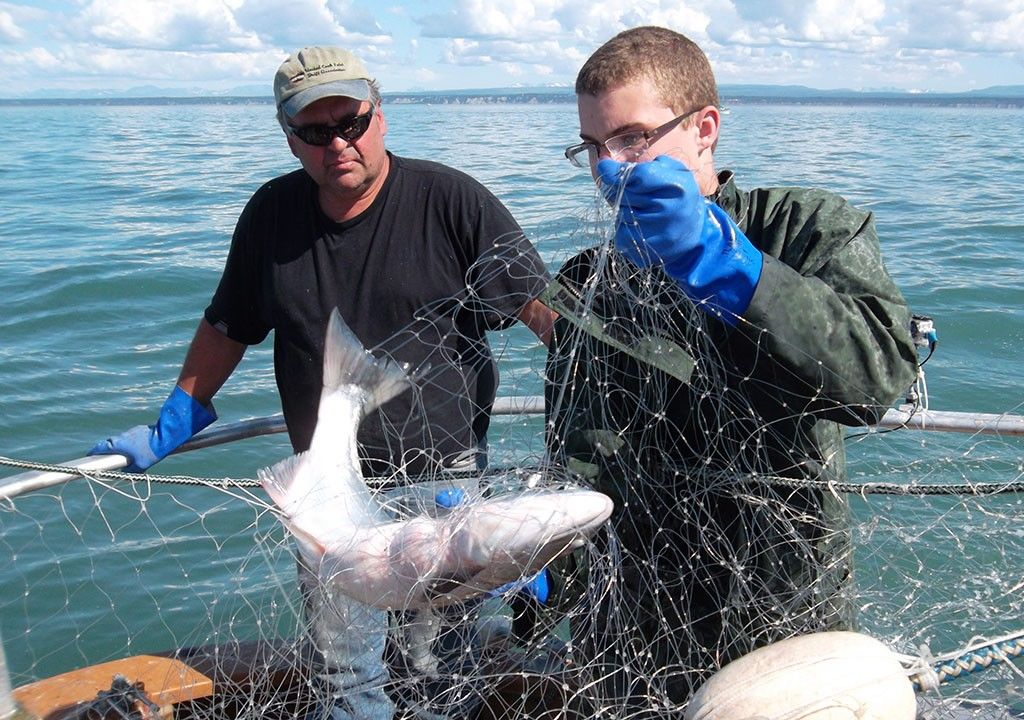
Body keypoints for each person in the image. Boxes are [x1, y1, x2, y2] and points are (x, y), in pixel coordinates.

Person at [90, 46, 556, 720]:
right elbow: (229, 323)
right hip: (329, 490)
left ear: (381, 116)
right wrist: (181, 413)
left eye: (352, 122)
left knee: (439, 675)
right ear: (290, 137)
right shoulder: (270, 217)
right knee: (344, 675)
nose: (339, 143)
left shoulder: (451, 200)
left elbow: (544, 314)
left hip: (442, 484)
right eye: (315, 131)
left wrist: (528, 522)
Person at [541, 26, 919, 716]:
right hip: (624, 640)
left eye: (630, 138)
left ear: (704, 128)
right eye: (591, 147)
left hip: (782, 623)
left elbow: (878, 374)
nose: (607, 167)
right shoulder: (587, 280)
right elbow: (582, 460)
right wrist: (533, 570)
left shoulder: (806, 228)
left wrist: (733, 269)